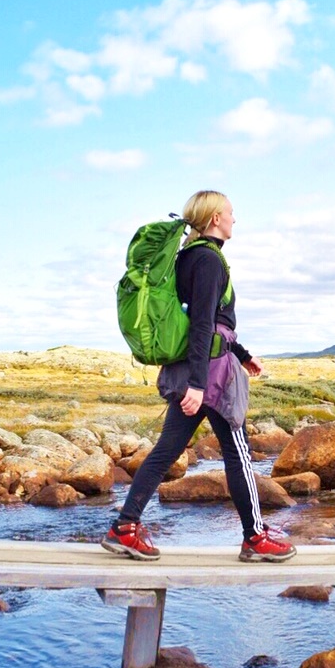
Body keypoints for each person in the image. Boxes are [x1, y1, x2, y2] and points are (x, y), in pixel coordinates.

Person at [102, 190, 297, 563]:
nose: (234, 219)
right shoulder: (209, 259)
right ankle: (255, 538)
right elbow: (204, 323)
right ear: (214, 220)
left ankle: (124, 528)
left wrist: (242, 354)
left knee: (166, 452)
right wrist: (198, 383)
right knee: (238, 454)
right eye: (230, 213)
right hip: (209, 375)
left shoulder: (188, 257)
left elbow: (204, 320)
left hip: (197, 368)